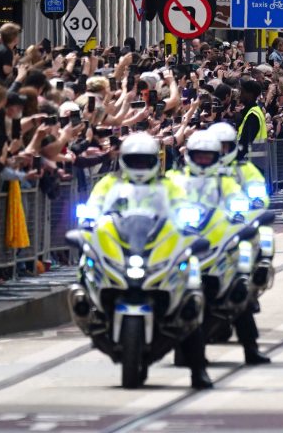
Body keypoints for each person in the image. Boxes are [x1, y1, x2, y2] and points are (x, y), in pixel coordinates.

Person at [83, 133, 213, 390]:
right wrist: (87, 222)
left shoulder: (168, 186)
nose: (140, 166)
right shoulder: (108, 184)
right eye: (135, 161)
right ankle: (89, 308)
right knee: (85, 263)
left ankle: (199, 371)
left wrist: (189, 226)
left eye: (145, 161)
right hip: (122, 251)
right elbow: (93, 209)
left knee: (190, 301)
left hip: (156, 252)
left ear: (154, 161)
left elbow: (184, 211)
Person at [170, 131, 271, 368]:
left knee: (240, 292)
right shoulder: (175, 180)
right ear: (189, 156)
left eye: (209, 156)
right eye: (199, 156)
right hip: (186, 245)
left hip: (220, 248)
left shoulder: (226, 181)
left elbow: (241, 203)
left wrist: (241, 213)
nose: (204, 161)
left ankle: (251, 348)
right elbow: (163, 204)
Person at [235, 79, 267, 160]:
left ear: (250, 94)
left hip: (250, 163)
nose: (240, 95)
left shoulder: (253, 114)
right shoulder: (255, 111)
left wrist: (234, 160)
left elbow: (245, 142)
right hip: (256, 162)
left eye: (242, 92)